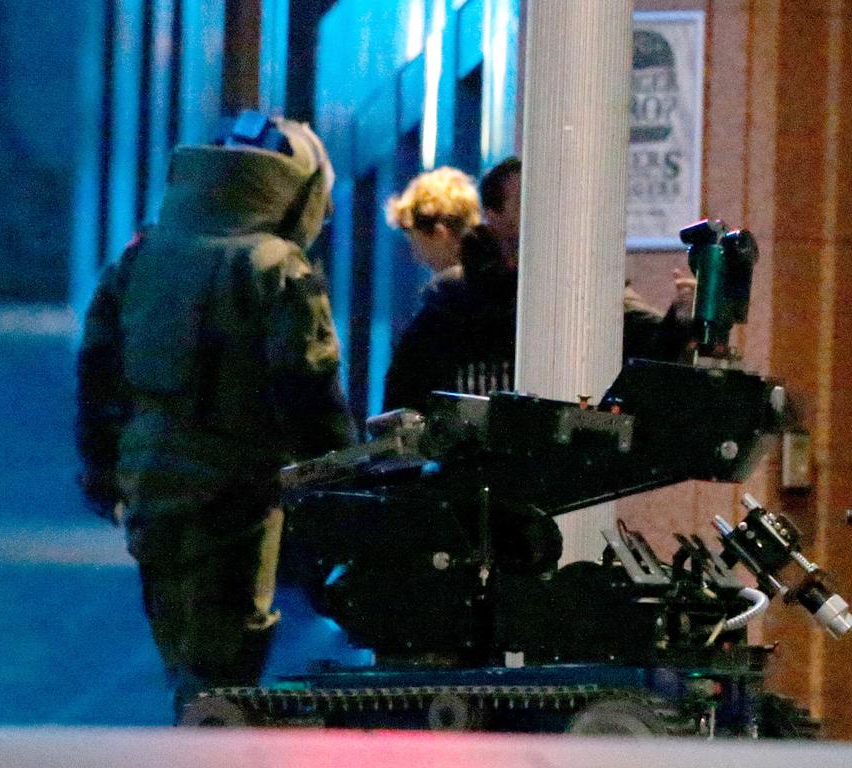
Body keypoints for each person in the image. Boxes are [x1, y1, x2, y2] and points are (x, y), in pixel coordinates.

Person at [75, 110, 355, 719]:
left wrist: (101, 470)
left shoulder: (145, 251)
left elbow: (98, 366)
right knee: (229, 662)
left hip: (148, 482)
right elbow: (308, 386)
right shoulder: (276, 266)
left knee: (181, 651)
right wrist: (344, 482)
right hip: (237, 491)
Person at [382, 157, 694, 412]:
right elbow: (404, 399)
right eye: (525, 202)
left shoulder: (582, 288)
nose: (544, 214)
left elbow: (649, 350)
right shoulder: (452, 299)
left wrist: (680, 321)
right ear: (494, 215)